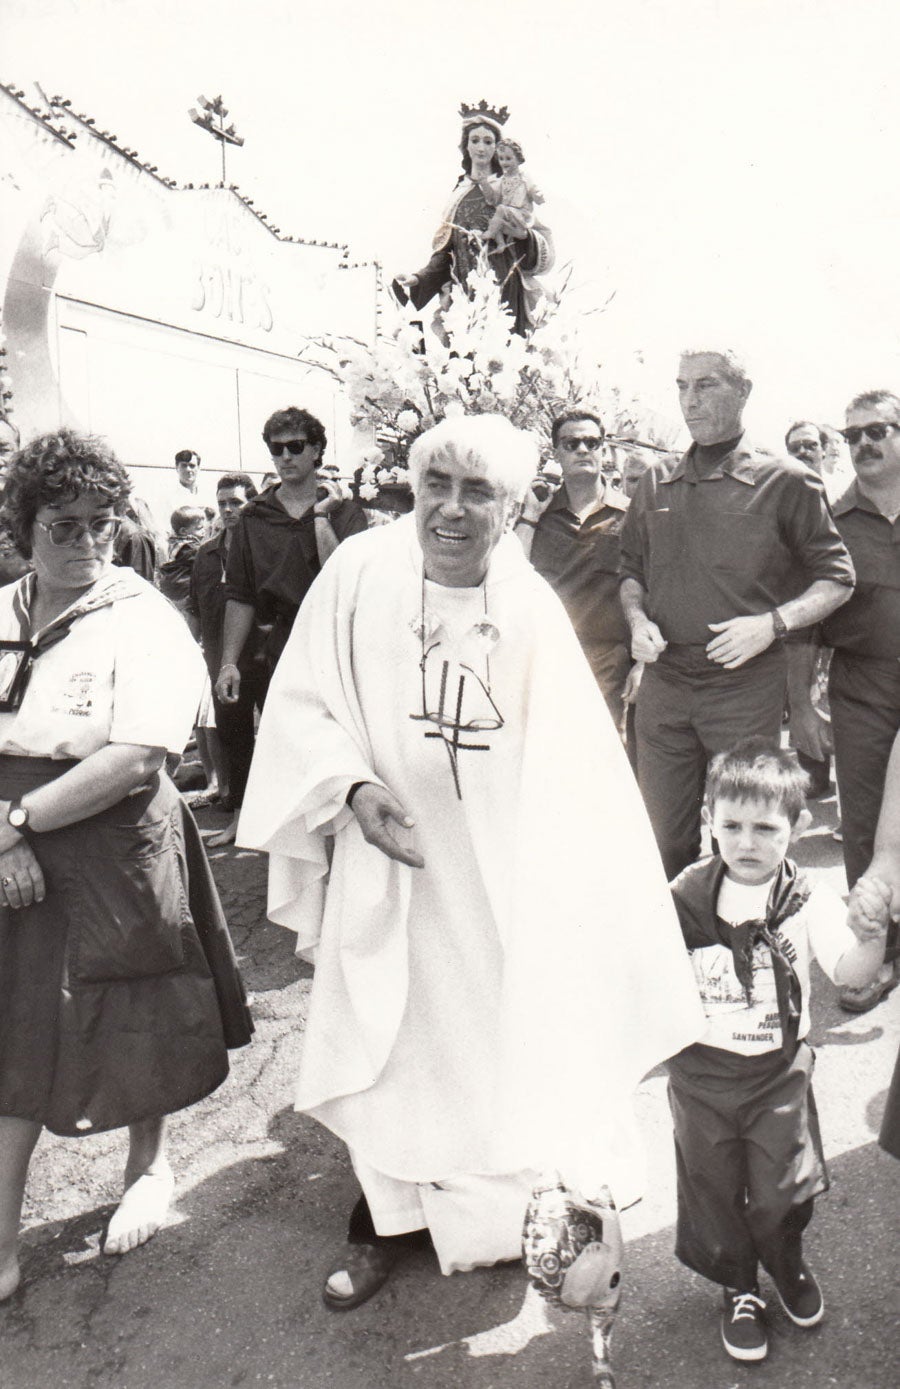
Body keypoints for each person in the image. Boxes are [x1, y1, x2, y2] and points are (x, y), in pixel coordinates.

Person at [238, 414, 703, 1316]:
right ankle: (384, 1220)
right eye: (435, 486)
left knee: (495, 1042)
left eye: (477, 491)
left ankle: (503, 1222)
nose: (450, 510)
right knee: (389, 1040)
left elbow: (579, 768)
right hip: (387, 865)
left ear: (514, 504)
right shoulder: (358, 573)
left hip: (497, 875)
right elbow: (302, 704)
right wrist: (354, 791)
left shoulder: (530, 608)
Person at [0, 429, 253, 1301]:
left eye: (101, 524)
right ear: (21, 525)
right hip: (9, 832)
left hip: (111, 832)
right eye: (61, 526)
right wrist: (6, 834)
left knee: (132, 990)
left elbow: (139, 755)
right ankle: (0, 1237)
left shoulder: (143, 616)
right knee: (14, 1020)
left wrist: (21, 823)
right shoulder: (1, 609)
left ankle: (148, 1164)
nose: (85, 544)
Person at [668, 739, 889, 1363]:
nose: (746, 842)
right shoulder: (682, 895)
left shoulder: (807, 899)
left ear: (799, 827)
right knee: (711, 1187)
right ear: (709, 819)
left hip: (776, 1073)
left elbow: (849, 973)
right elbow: (641, 972)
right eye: (730, 825)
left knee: (783, 1187)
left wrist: (871, 940)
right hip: (701, 1075)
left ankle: (784, 1259)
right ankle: (739, 1287)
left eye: (765, 828)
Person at [619, 348, 855, 880]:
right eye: (682, 386)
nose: (690, 400)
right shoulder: (656, 480)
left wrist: (771, 624)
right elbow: (629, 570)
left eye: (706, 385)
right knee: (660, 838)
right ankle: (679, 953)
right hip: (665, 683)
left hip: (743, 686)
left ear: (743, 393)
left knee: (747, 835)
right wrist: (637, 621)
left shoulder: (788, 481)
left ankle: (749, 948)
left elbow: (837, 579)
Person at [813, 389, 900, 1011]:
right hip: (864, 684)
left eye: (878, 431)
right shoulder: (832, 522)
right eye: (852, 437)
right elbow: (808, 627)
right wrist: (801, 706)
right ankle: (879, 954)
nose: (864, 445)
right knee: (867, 821)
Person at [215, 407, 367, 708]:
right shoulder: (254, 516)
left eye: (295, 446)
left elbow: (345, 577)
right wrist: (228, 662)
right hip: (282, 644)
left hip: (339, 640)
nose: (286, 456)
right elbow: (240, 594)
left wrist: (321, 517)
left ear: (316, 450)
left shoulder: (346, 512)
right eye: (277, 448)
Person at [392, 103, 554, 336]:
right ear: (465, 146)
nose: (481, 148)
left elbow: (533, 232)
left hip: (505, 288)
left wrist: (523, 236)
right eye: (475, 140)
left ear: (498, 148)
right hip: (464, 291)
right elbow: (446, 252)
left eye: (488, 142)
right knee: (465, 359)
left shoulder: (511, 186)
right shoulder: (460, 194)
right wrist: (418, 279)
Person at [516, 410, 632, 731]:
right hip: (546, 657)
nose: (583, 449)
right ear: (556, 452)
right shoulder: (538, 513)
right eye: (571, 443)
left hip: (609, 661)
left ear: (603, 449)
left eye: (591, 442)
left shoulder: (630, 514)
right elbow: (513, 571)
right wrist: (530, 515)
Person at [188, 473, 265, 848]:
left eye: (236, 502)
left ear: (252, 502)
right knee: (235, 742)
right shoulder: (206, 553)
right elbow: (194, 608)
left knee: (280, 736)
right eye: (223, 503)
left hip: (266, 659)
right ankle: (240, 820)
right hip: (223, 663)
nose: (229, 510)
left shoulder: (265, 546)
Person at [481, 138, 543, 253]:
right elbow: (493, 200)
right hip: (509, 218)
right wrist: (484, 184)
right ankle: (502, 244)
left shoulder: (524, 177)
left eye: (508, 159)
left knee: (500, 211)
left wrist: (538, 196)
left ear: (518, 160)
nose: (504, 162)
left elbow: (533, 189)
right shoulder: (502, 181)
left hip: (522, 215)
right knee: (492, 218)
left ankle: (491, 233)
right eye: (501, 159)